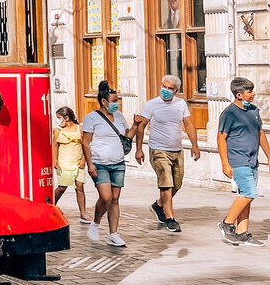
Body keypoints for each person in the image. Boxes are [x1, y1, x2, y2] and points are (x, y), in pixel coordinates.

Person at [134, 74, 200, 233]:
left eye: (170, 89)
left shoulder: (181, 104)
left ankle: (158, 205)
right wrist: (138, 149)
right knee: (166, 184)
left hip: (177, 150)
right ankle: (169, 218)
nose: (166, 90)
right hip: (158, 150)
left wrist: (195, 145)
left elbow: (189, 124)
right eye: (164, 87)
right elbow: (141, 126)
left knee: (177, 184)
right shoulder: (151, 105)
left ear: (176, 90)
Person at [216, 76, 270, 246]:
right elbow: (221, 138)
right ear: (239, 95)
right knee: (249, 193)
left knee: (245, 196)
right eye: (249, 91)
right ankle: (227, 223)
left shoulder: (254, 111)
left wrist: (269, 156)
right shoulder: (229, 113)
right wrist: (225, 163)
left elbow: (260, 134)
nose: (253, 94)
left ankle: (242, 233)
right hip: (238, 160)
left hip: (252, 159)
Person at [80, 80, 130, 247]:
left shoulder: (120, 117)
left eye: (118, 100)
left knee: (115, 199)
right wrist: (90, 164)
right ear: (104, 101)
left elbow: (127, 136)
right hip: (99, 163)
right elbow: (86, 143)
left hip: (118, 163)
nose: (117, 104)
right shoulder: (91, 118)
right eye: (114, 101)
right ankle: (95, 223)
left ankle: (113, 234)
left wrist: (137, 126)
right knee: (106, 197)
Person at [52, 106, 89, 223]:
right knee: (62, 187)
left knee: (80, 187)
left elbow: (85, 145)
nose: (58, 120)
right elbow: (55, 146)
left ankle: (83, 213)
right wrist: (54, 161)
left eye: (59, 118)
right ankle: (51, 205)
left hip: (77, 161)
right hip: (64, 162)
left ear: (66, 118)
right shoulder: (58, 131)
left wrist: (84, 159)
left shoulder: (80, 129)